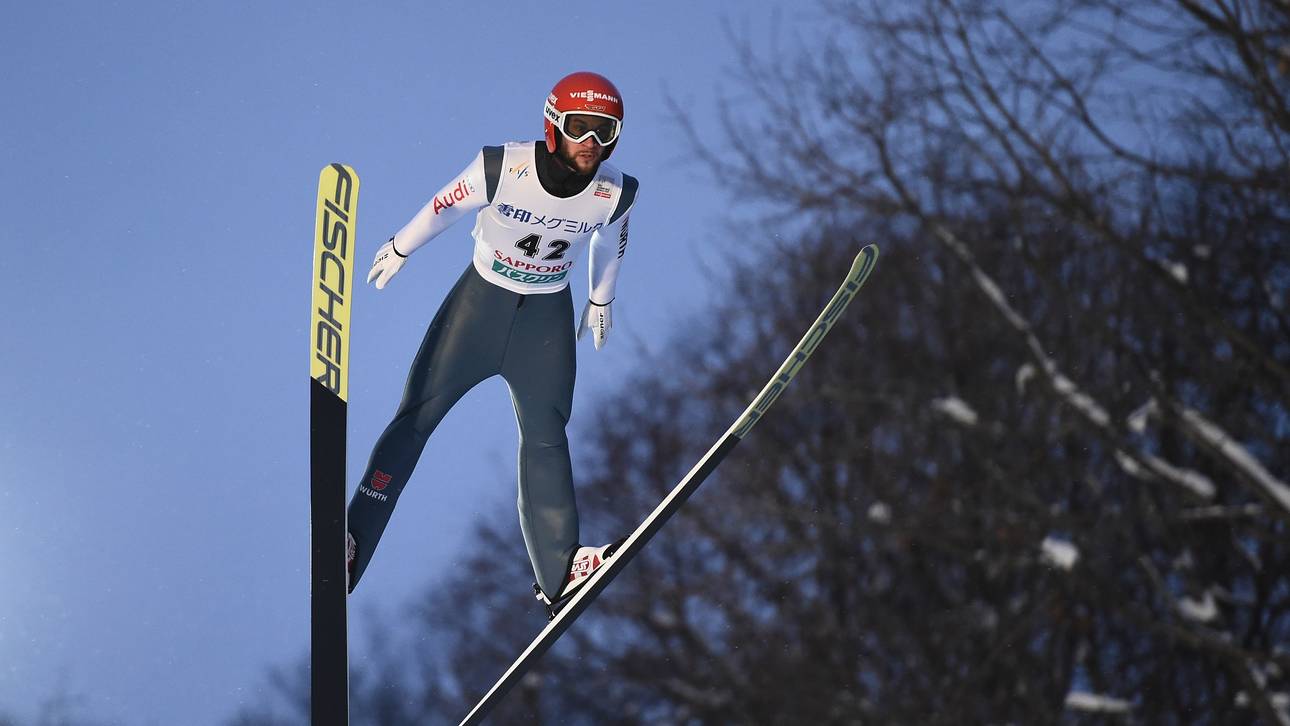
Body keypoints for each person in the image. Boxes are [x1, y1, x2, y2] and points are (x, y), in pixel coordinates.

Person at [345, 71, 638, 614]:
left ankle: (560, 570)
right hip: (480, 306)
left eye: (604, 131)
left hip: (545, 318)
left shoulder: (614, 190)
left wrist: (601, 299)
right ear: (553, 127)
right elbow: (446, 204)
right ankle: (352, 539)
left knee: (547, 433)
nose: (590, 143)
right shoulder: (504, 165)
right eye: (579, 127)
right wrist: (401, 246)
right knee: (416, 418)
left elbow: (611, 240)